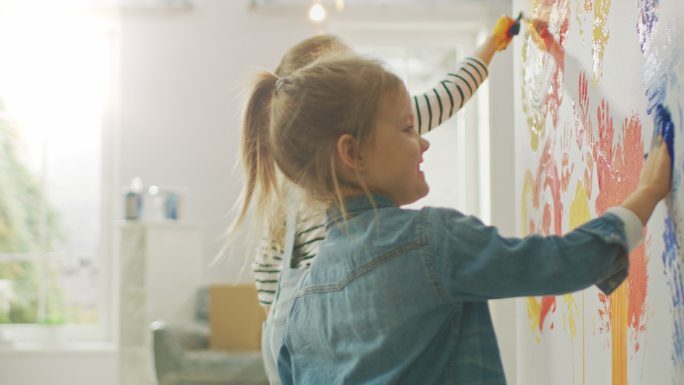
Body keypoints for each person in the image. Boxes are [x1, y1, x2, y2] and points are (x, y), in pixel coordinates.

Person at [237, 47, 672, 384]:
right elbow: (560, 262)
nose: (423, 143)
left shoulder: (297, 307)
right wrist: (647, 195)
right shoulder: (432, 242)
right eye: (408, 129)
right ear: (352, 152)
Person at [240, 16, 519, 384]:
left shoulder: (286, 173)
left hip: (296, 351)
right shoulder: (371, 127)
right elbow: (447, 96)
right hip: (343, 334)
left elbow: (267, 290)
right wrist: (489, 49)